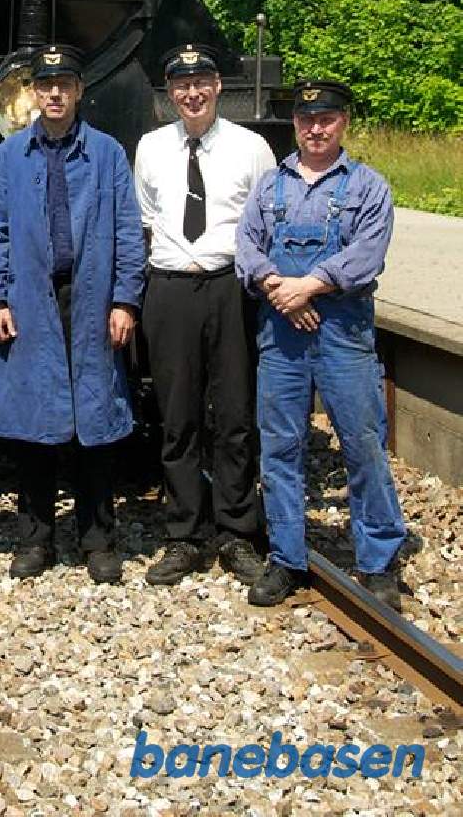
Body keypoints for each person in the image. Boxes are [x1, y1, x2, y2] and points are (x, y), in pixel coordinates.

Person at [236, 79, 406, 609]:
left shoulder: (368, 187)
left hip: (343, 334)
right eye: (307, 120)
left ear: (344, 122)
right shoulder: (270, 186)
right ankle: (286, 556)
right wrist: (272, 285)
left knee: (362, 444)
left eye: (326, 119)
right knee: (280, 447)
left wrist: (304, 287)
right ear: (295, 124)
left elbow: (367, 255)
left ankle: (378, 560)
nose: (315, 128)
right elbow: (246, 245)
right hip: (281, 336)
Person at [0, 46, 146, 585]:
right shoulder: (8, 157)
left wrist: (125, 299)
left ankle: (98, 538)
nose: (54, 94)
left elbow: (126, 230)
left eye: (64, 84)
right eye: (45, 85)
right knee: (35, 422)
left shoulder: (107, 154)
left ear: (78, 91)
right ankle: (35, 538)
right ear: (33, 93)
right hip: (30, 296)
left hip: (92, 295)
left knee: (94, 420)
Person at [134, 44, 276, 587]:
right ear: (170, 93)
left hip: (229, 285)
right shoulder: (150, 148)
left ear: (217, 87)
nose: (191, 94)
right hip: (170, 287)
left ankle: (237, 531)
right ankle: (185, 533)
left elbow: (264, 218)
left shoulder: (252, 147)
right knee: (177, 416)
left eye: (201, 84)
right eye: (180, 86)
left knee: (235, 414)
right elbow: (148, 216)